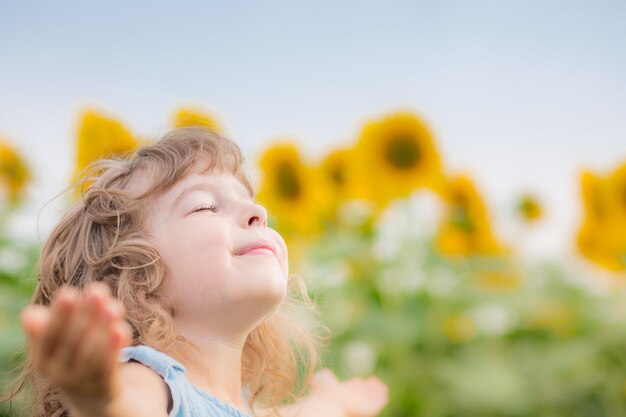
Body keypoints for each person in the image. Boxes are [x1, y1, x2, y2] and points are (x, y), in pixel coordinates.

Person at [5, 127, 389, 417]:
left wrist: (332, 401)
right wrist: (94, 396)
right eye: (205, 206)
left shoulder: (239, 405)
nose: (260, 214)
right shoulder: (152, 382)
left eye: (250, 201)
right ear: (135, 274)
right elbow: (126, 407)